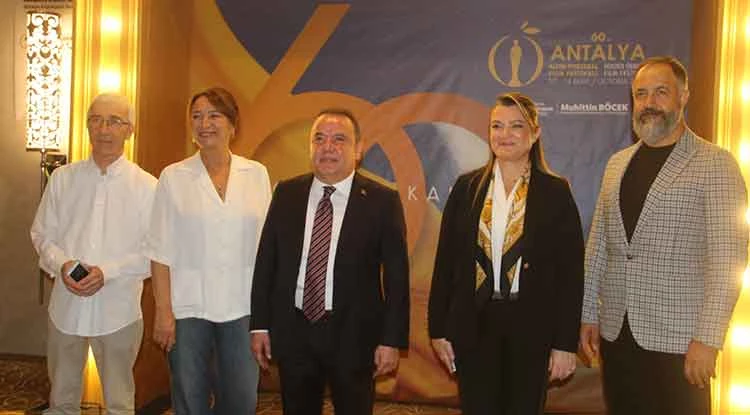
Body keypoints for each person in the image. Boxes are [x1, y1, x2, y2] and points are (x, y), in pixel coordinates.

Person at [580, 56, 748, 415]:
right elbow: (598, 246)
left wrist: (708, 339)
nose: (649, 103)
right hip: (618, 335)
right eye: (641, 94)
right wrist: (588, 313)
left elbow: (729, 260)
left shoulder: (716, 163)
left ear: (683, 96)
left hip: (681, 342)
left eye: (661, 92)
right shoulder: (617, 164)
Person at [428, 92, 584, 414]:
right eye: (497, 126)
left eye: (516, 126)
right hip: (473, 326)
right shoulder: (466, 188)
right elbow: (445, 264)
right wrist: (438, 329)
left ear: (535, 134)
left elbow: (571, 276)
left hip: (531, 328)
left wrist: (565, 344)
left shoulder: (555, 192)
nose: (505, 134)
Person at [249, 109, 410, 415]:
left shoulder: (382, 201)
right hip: (295, 332)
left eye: (339, 139)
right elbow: (267, 262)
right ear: (310, 147)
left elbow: (397, 278)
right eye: (319, 139)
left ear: (358, 149)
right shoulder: (287, 193)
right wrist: (259, 324)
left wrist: (391, 340)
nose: (328, 147)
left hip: (354, 336)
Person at [146, 87, 271, 414]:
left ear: (233, 125)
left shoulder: (256, 174)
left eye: (214, 115)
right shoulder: (173, 176)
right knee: (189, 398)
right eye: (197, 116)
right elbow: (159, 251)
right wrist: (163, 311)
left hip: (242, 307)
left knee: (241, 399)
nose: (205, 124)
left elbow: (267, 249)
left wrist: (267, 314)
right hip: (188, 308)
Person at [30, 93, 156, 414]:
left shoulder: (147, 186)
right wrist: (63, 265)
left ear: (130, 130)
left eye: (114, 121)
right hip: (66, 310)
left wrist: (107, 272)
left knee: (119, 404)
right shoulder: (62, 179)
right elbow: (41, 235)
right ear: (87, 126)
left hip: (119, 311)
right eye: (96, 120)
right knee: (61, 402)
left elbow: (153, 251)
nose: (104, 129)